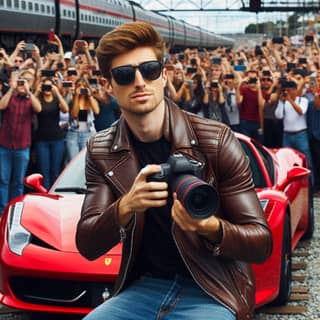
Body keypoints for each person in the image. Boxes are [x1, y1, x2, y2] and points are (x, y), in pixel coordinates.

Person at [76, 21, 272, 320]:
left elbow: (261, 242)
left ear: (164, 76)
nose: (139, 81)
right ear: (109, 86)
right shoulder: (101, 149)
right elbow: (88, 245)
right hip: (143, 288)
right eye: (125, 75)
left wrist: (210, 228)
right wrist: (125, 206)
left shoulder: (215, 139)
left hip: (214, 289)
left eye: (150, 70)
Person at [0, 70, 41, 214]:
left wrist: (29, 92)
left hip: (22, 146)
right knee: (3, 180)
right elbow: (1, 106)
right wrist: (12, 88)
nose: (21, 86)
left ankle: (14, 210)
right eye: (20, 83)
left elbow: (38, 108)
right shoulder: (11, 97)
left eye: (24, 84)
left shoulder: (30, 99)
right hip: (5, 145)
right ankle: (2, 209)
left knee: (18, 181)